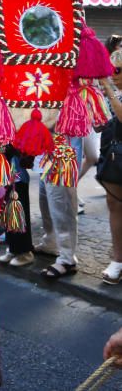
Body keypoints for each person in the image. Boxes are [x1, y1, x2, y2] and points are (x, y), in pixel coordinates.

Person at [37, 137, 84, 278]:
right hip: (46, 153)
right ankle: (50, 242)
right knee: (46, 200)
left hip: (62, 155)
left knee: (61, 207)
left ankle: (67, 259)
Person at [99, 50, 122, 285]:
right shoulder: (112, 93)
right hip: (113, 153)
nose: (112, 75)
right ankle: (117, 259)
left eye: (117, 71)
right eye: (111, 70)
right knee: (114, 205)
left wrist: (108, 89)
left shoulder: (112, 92)